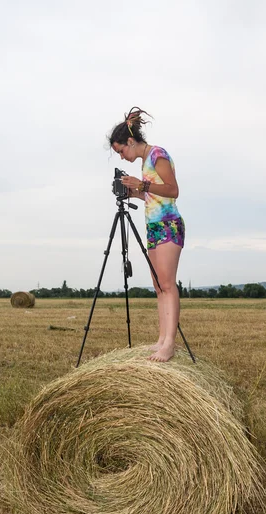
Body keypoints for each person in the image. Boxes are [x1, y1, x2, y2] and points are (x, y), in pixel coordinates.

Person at [108, 107, 185, 362]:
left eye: (121, 151)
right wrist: (135, 193)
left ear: (130, 142)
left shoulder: (157, 154)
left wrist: (143, 185)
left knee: (167, 284)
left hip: (168, 226)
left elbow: (173, 190)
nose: (122, 156)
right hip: (153, 225)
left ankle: (170, 344)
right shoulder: (144, 162)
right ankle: (162, 339)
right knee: (158, 286)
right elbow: (153, 194)